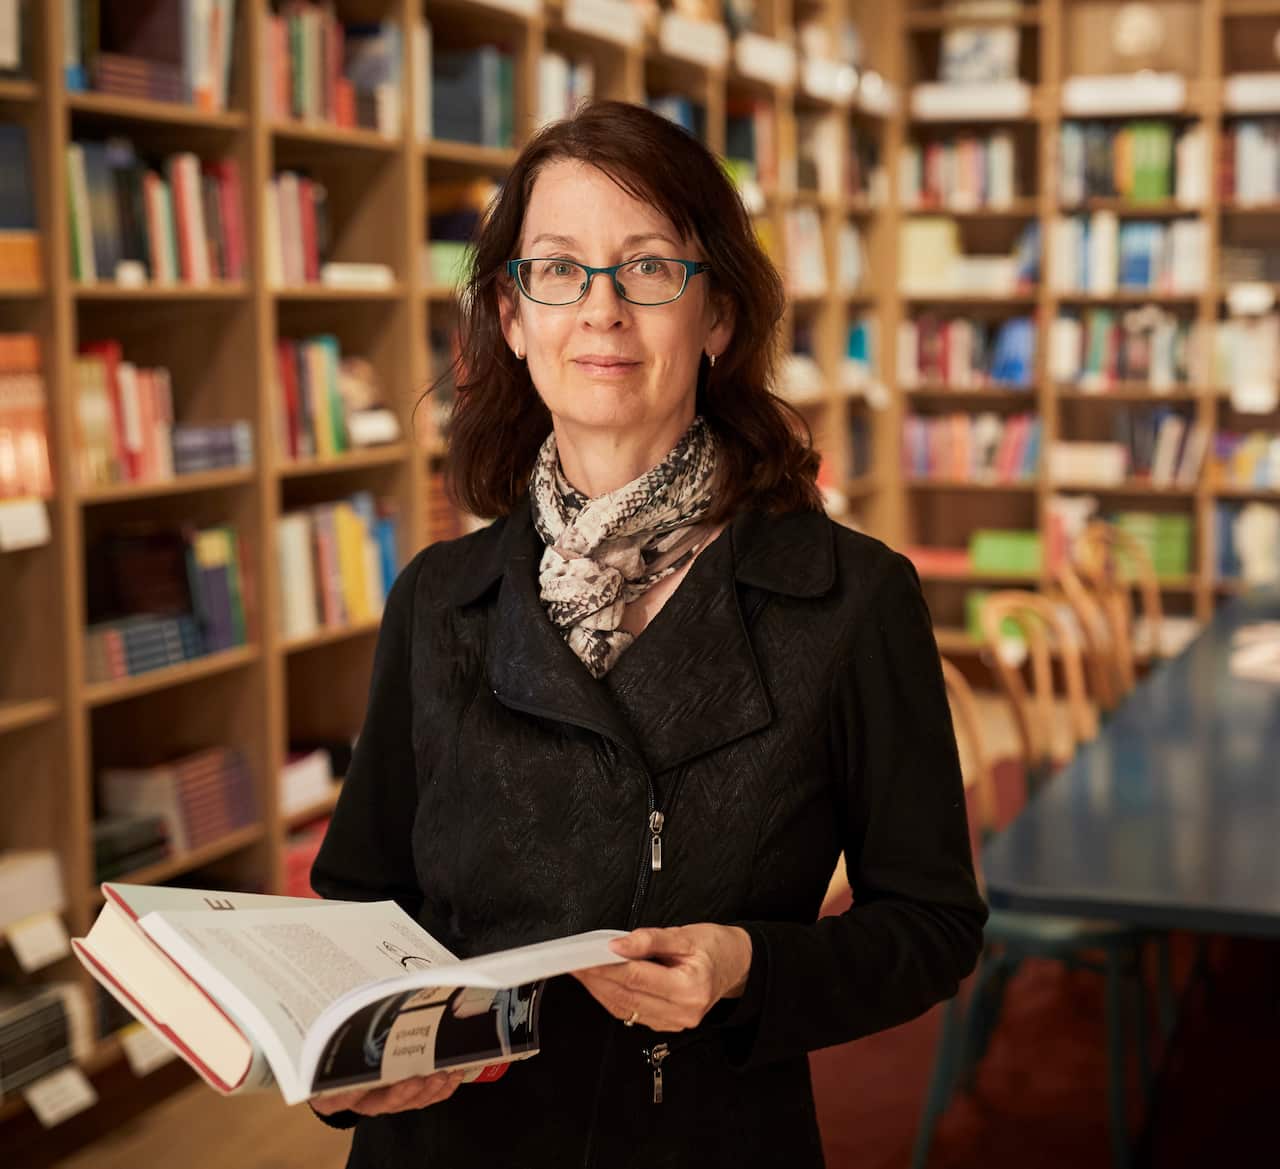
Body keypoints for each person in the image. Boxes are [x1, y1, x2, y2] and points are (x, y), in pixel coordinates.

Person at [309, 99, 986, 1168]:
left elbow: (932, 922)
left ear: (715, 314)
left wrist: (746, 966)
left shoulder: (851, 599)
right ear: (512, 315)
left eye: (648, 267)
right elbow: (358, 901)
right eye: (559, 269)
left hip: (699, 1136)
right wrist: (350, 1064)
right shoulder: (437, 597)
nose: (601, 310)